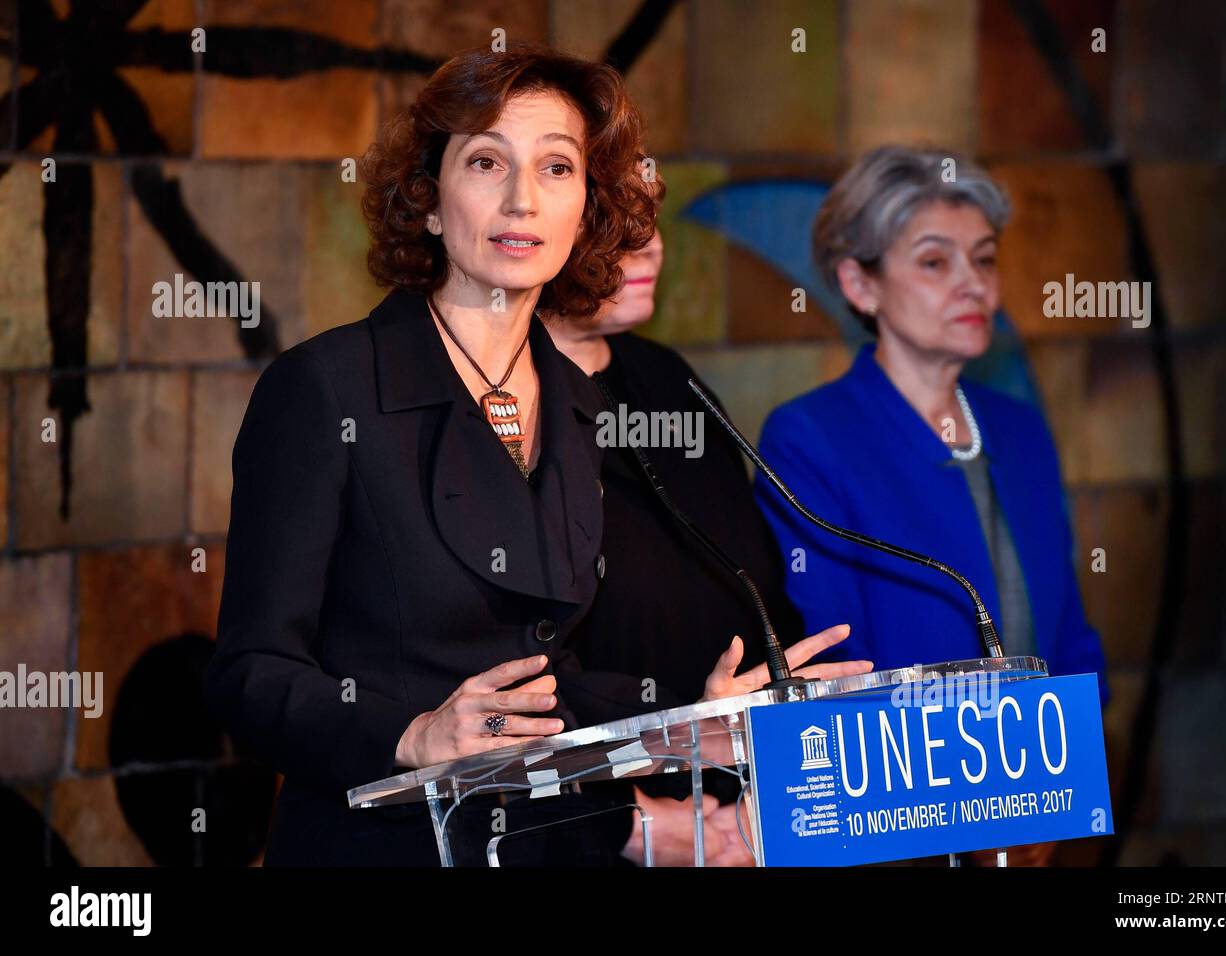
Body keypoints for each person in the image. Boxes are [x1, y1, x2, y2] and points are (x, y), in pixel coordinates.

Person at [205, 43, 861, 867]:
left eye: (557, 168)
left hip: (537, 847)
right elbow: (250, 674)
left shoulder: (577, 402)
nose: (522, 199)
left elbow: (549, 681)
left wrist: (689, 724)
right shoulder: (328, 389)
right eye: (486, 162)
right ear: (429, 201)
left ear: (586, 211)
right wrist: (411, 735)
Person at [754, 146, 1109, 866]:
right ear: (860, 283)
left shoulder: (1019, 428)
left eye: (984, 259)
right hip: (899, 832)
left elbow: (1069, 635)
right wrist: (970, 817)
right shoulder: (809, 437)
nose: (973, 284)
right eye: (935, 262)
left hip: (1041, 815)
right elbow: (836, 663)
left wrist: (1057, 795)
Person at [544, 228, 806, 865]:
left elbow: (758, 588)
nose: (652, 246)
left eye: (651, 218)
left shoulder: (665, 376)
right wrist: (629, 821)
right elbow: (492, 669)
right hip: (586, 827)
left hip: (742, 814)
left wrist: (778, 787)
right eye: (616, 223)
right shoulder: (491, 404)